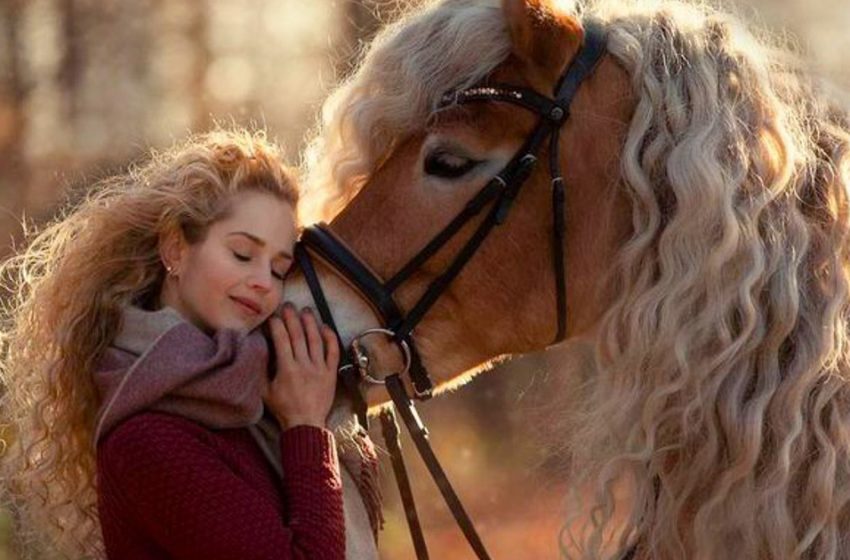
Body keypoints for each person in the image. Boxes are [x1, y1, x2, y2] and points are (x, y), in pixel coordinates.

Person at [0, 129, 349, 559]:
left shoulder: (257, 391)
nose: (262, 282)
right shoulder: (148, 441)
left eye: (279, 270)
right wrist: (307, 426)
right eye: (242, 254)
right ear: (175, 248)